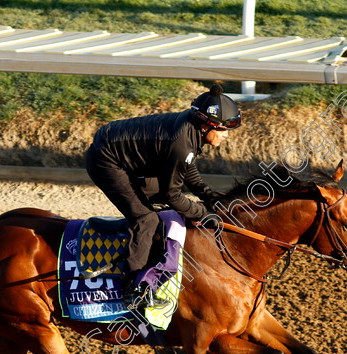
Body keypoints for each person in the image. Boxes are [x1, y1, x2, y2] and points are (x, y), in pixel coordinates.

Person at [85, 83, 242, 309]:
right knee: (146, 219)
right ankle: (133, 290)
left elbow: (187, 168)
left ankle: (133, 232)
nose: (226, 136)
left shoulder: (191, 128)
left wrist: (208, 197)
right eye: (223, 129)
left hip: (121, 154)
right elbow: (173, 195)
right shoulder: (182, 143)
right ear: (207, 126)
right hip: (106, 160)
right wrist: (205, 214)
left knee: (153, 201)